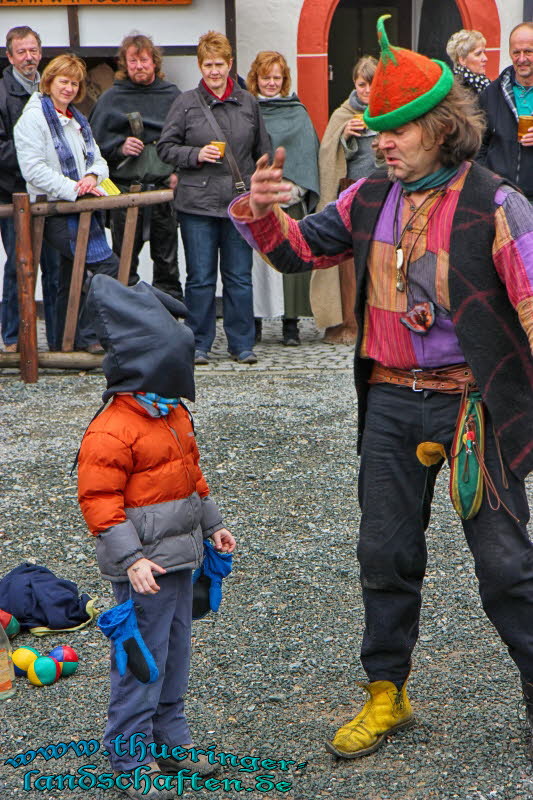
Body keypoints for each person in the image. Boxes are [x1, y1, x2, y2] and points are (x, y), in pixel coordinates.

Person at [230, 14, 533, 762]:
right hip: (391, 401)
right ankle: (386, 694)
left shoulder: (497, 204)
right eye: (376, 128)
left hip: (474, 407)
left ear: (440, 128)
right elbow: (300, 250)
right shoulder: (367, 199)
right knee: (384, 553)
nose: (380, 140)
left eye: (396, 129)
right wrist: (263, 212)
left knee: (505, 567)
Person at [77, 274, 235, 800]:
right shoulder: (112, 429)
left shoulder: (173, 415)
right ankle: (128, 754)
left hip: (182, 560)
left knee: (175, 655)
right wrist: (131, 561)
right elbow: (99, 503)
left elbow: (192, 476)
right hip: (146, 570)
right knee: (141, 661)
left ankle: (170, 741)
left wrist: (213, 525)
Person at [158, 30, 271, 366]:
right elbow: (165, 148)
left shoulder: (248, 102)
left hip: (239, 204)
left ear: (230, 64)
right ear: (200, 66)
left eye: (220, 64)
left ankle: (242, 344)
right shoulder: (185, 103)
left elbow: (262, 150)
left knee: (239, 276)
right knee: (201, 277)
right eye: (208, 65)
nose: (214, 71)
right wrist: (195, 155)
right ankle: (198, 343)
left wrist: (261, 187)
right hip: (197, 206)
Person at [14, 54, 119, 353]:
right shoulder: (33, 118)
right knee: (105, 267)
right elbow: (33, 170)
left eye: (74, 83)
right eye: (64, 81)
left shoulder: (77, 119)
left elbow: (98, 159)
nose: (69, 88)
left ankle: (66, 342)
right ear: (49, 81)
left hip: (77, 206)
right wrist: (75, 187)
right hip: (54, 211)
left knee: (68, 276)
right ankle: (86, 336)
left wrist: (90, 176)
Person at [89, 33, 183, 300]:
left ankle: (170, 326)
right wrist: (120, 148)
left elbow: (187, 140)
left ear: (154, 62)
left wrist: (178, 173)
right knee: (123, 265)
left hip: (164, 195)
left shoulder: (173, 95)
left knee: (167, 266)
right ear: (124, 64)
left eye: (143, 60)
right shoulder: (111, 100)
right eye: (133, 61)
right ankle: (125, 324)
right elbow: (92, 150)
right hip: (125, 195)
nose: (139, 66)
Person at [246, 50, 319, 347]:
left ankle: (291, 325)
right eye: (266, 77)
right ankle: (256, 324)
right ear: (256, 79)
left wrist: (295, 189)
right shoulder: (247, 111)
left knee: (290, 263)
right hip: (258, 199)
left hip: (291, 197)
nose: (271, 83)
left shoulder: (297, 112)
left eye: (277, 77)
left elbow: (307, 154)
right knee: (256, 264)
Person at [0, 26, 59, 352]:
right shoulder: (1, 93)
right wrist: (33, 157)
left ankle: (55, 340)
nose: (29, 57)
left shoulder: (48, 91)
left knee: (53, 268)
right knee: (18, 267)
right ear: (9, 57)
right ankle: (12, 339)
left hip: (48, 193)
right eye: (21, 51)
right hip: (12, 193)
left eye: (33, 50)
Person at [312, 56, 377, 345]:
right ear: (355, 84)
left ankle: (377, 321)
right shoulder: (343, 114)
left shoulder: (392, 110)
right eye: (362, 84)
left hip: (380, 193)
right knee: (348, 263)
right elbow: (330, 155)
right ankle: (348, 322)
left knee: (378, 258)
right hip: (350, 193)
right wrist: (345, 137)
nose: (366, 90)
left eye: (372, 84)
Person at [478, 22, 533, 202]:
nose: (522, 58)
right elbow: (478, 145)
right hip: (501, 198)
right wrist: (487, 183)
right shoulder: (491, 94)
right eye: (516, 52)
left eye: (528, 52)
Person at [446, 29, 490, 95]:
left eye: (484, 52)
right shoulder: (458, 89)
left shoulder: (481, 82)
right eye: (478, 54)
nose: (485, 58)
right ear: (462, 60)